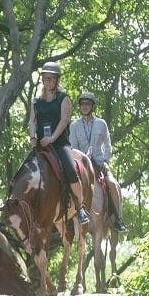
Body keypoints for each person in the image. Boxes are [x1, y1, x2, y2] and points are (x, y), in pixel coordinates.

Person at [27, 61, 91, 225]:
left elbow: (64, 121)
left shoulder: (64, 99)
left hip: (59, 143)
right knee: (24, 171)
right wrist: (32, 136)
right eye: (46, 78)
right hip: (41, 145)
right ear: (42, 80)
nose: (48, 81)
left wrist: (52, 138)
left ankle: (80, 207)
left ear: (56, 80)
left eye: (51, 78)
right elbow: (32, 121)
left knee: (70, 170)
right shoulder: (36, 102)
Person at [69, 91, 128, 232]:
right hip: (82, 166)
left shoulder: (101, 124)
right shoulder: (74, 125)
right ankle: (65, 221)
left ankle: (118, 219)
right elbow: (72, 147)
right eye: (82, 104)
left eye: (87, 104)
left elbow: (108, 146)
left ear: (93, 106)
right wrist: (81, 160)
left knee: (113, 184)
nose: (84, 106)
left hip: (99, 164)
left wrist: (103, 160)